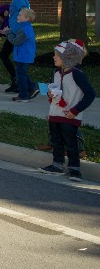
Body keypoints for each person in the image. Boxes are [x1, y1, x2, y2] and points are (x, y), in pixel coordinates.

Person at [40, 40, 94, 180]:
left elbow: (90, 94)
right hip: (55, 113)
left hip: (70, 115)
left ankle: (74, 169)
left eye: (56, 55)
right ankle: (57, 165)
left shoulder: (77, 74)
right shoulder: (56, 73)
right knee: (56, 141)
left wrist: (75, 110)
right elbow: (52, 88)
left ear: (67, 57)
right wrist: (49, 93)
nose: (53, 58)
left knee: (71, 142)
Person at [0, 0, 30, 93]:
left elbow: (25, 13)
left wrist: (20, 31)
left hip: (17, 34)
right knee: (14, 58)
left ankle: (24, 85)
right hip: (13, 32)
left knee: (6, 55)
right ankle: (20, 83)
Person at [7, 6, 39, 102]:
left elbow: (16, 41)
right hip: (24, 55)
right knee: (22, 73)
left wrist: (7, 33)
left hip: (23, 56)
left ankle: (24, 96)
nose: (18, 16)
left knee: (21, 75)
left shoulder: (25, 29)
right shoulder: (26, 27)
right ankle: (32, 88)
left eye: (20, 15)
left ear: (27, 18)